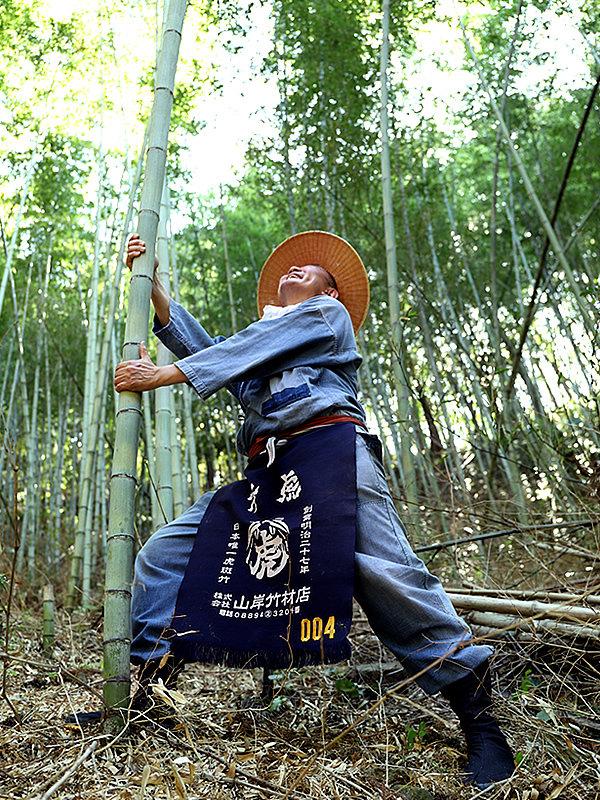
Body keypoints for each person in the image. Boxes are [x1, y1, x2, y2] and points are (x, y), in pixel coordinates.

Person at [113, 230, 515, 788]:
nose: (294, 271)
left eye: (309, 271)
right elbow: (219, 355)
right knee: (168, 553)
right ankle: (148, 691)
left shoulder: (329, 319)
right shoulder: (262, 346)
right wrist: (155, 291)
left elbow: (231, 353)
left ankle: (479, 718)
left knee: (385, 576)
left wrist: (162, 375)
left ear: (332, 293)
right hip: (269, 471)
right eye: (288, 270)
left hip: (330, 452)